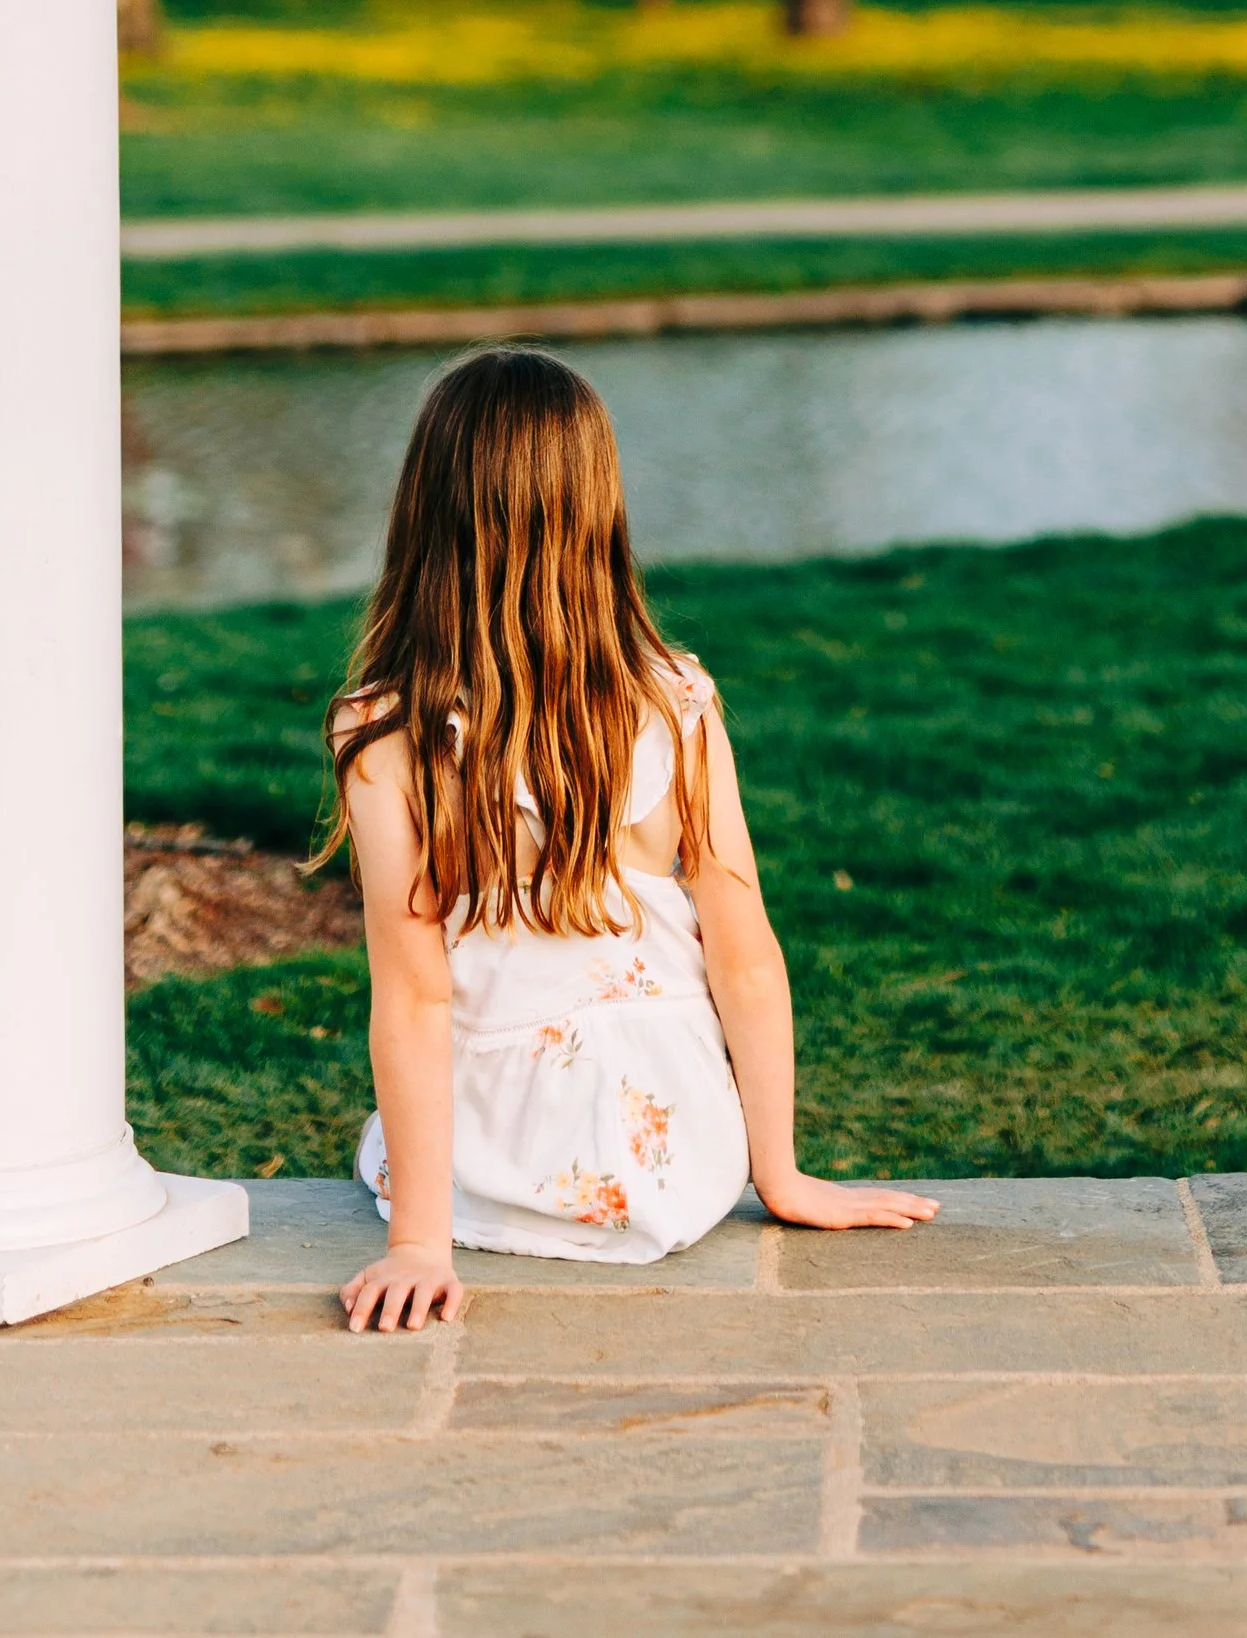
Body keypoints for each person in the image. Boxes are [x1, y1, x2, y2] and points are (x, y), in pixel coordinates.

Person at [324, 344, 937, 1330]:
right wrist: (776, 1173)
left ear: (425, 511)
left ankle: (441, 1200)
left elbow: (415, 994)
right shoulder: (676, 698)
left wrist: (418, 1244)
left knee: (409, 1104)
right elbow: (743, 955)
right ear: (596, 506)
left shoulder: (385, 730)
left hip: (515, 1161)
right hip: (681, 1154)